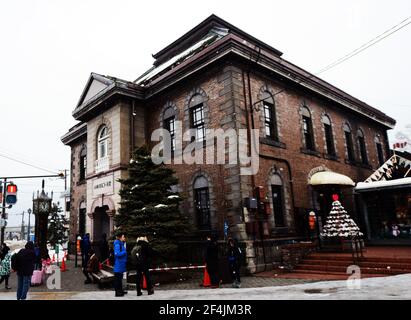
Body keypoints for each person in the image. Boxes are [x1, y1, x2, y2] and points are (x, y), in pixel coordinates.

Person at [113, 232, 127, 297]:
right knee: (118, 279)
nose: (124, 238)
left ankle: (120, 291)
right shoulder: (117, 245)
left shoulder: (121, 244)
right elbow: (117, 254)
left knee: (119, 279)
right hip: (118, 265)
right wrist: (124, 252)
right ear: (120, 237)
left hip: (121, 264)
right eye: (123, 237)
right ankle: (118, 293)